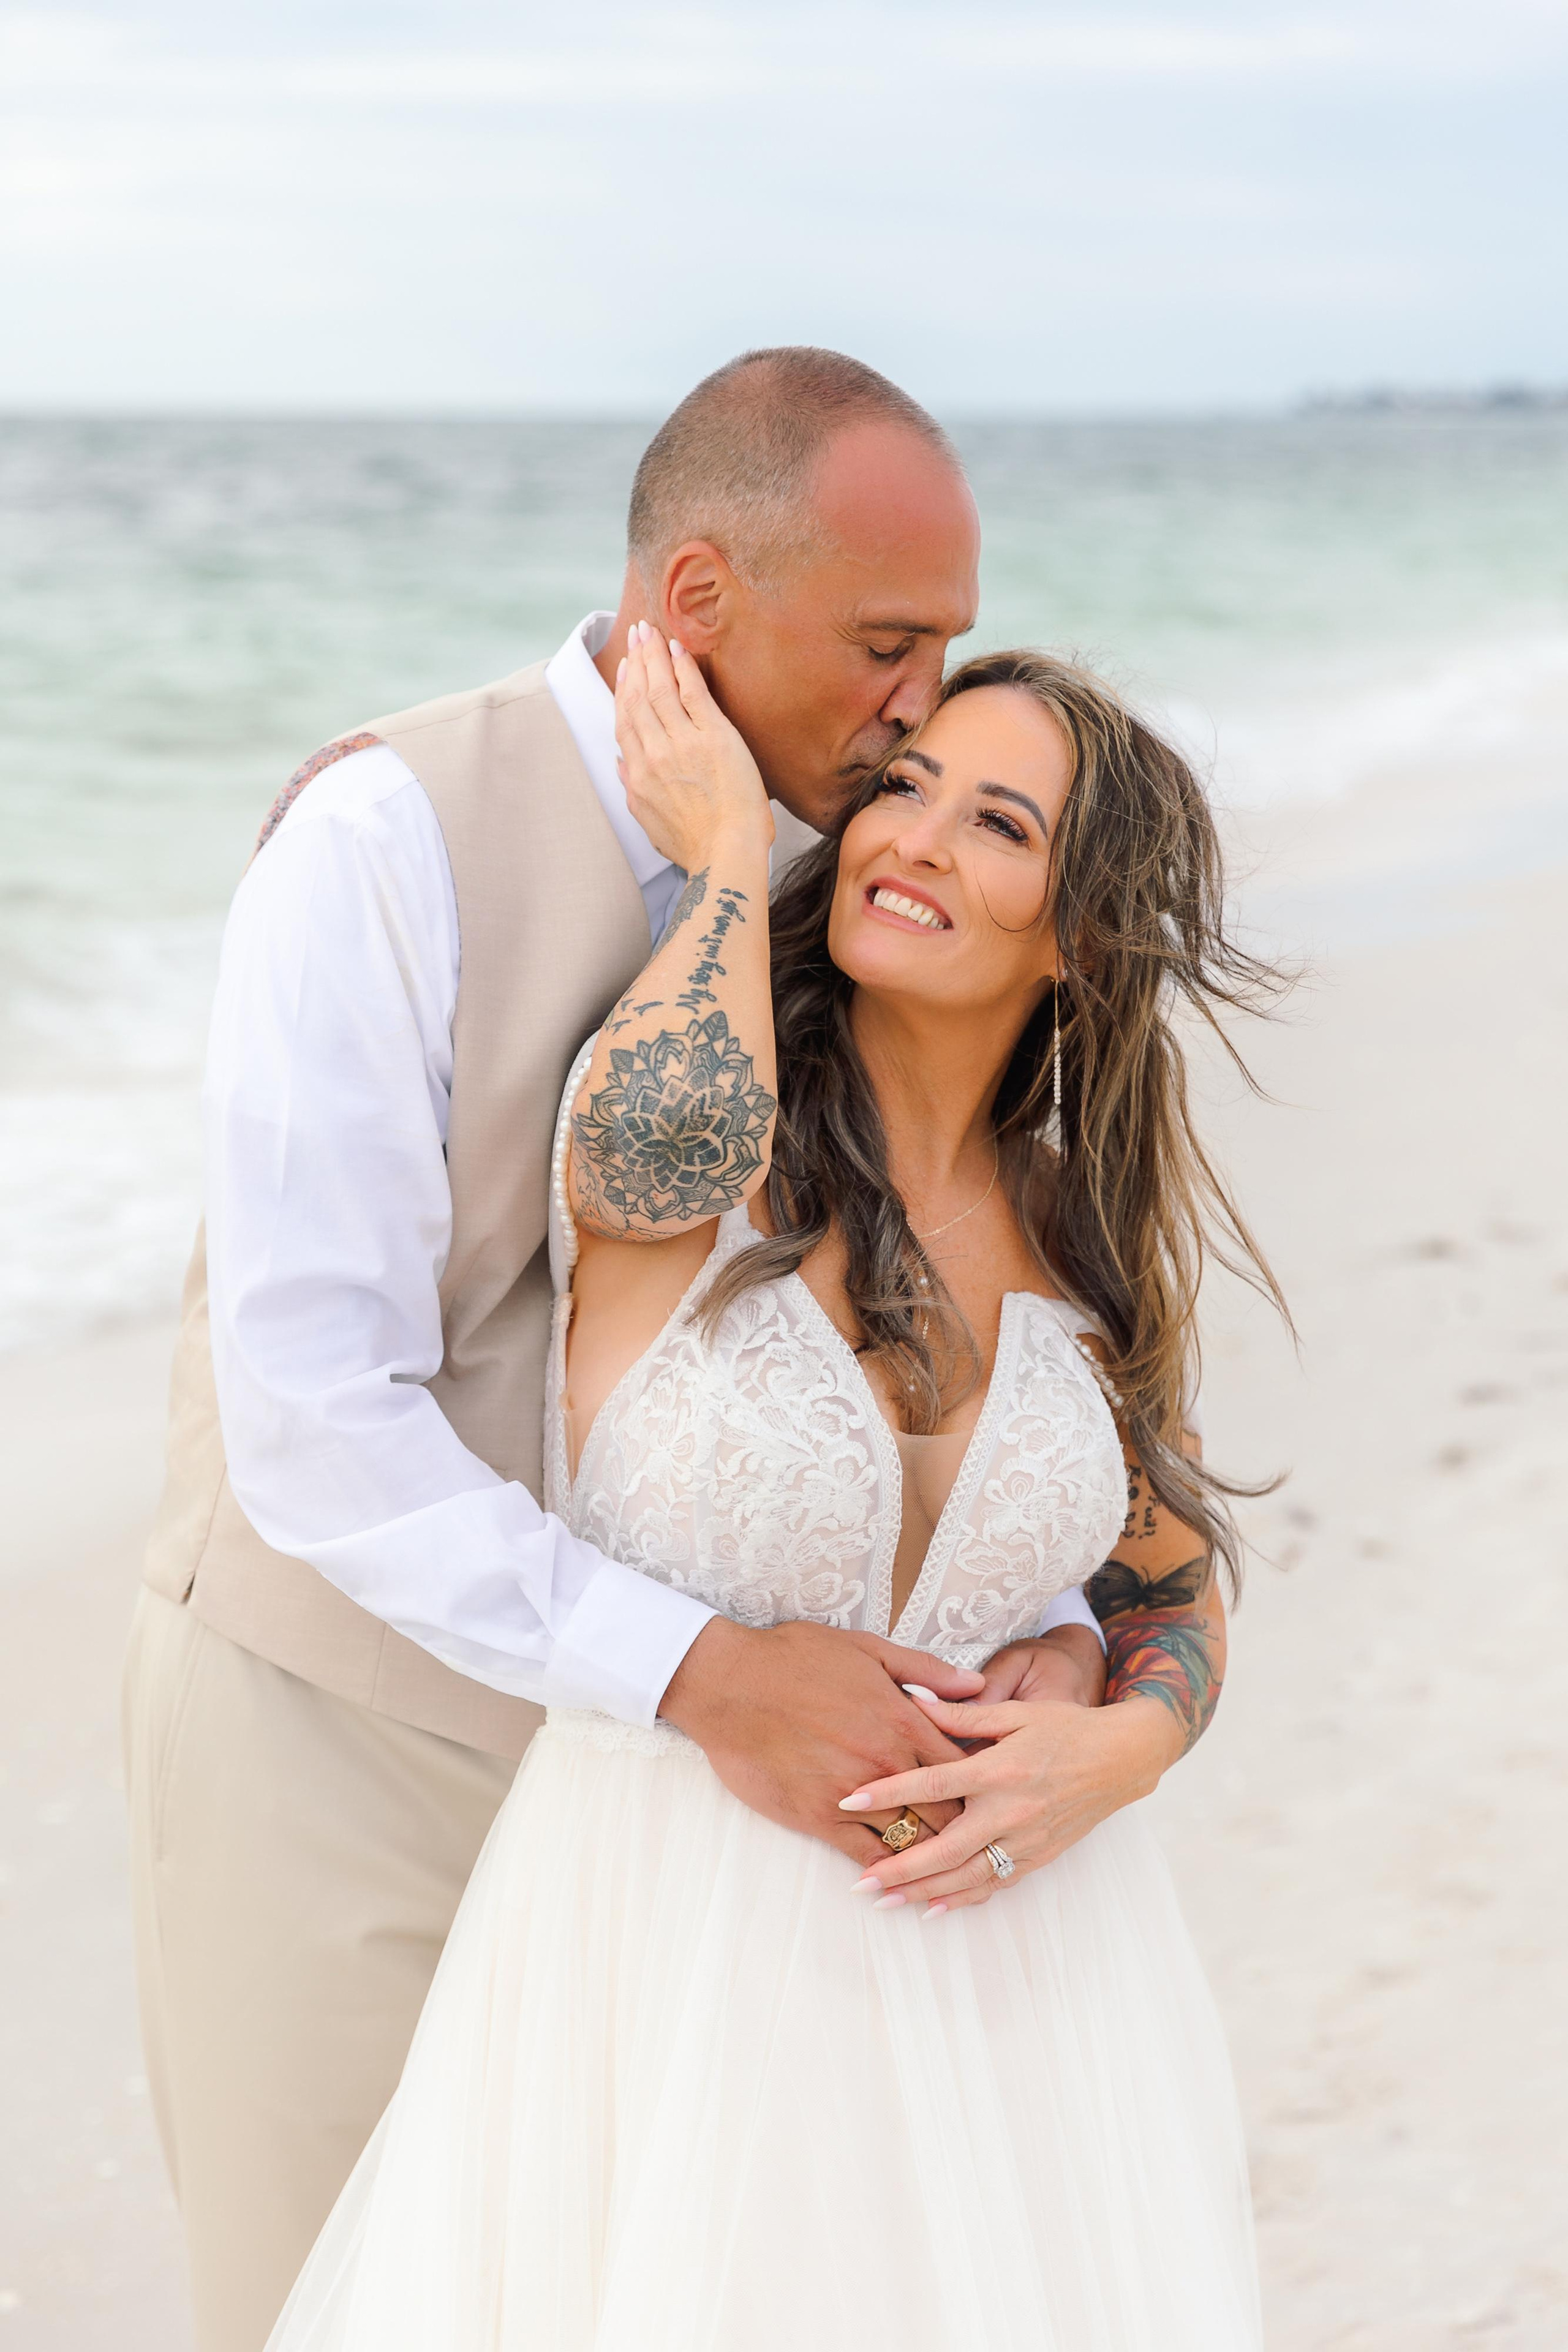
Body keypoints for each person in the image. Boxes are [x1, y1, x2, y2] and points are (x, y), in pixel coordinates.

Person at [124, 349, 1197, 2352]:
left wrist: (1065, 1644)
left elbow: (940, 1347)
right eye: (891, 646)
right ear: (698, 605)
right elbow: (312, 1418)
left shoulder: (849, 881)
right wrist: (699, 1673)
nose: (914, 712)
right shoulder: (383, 841)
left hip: (691, 1792)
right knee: (335, 2296)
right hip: (344, 1721)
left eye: (949, 655)